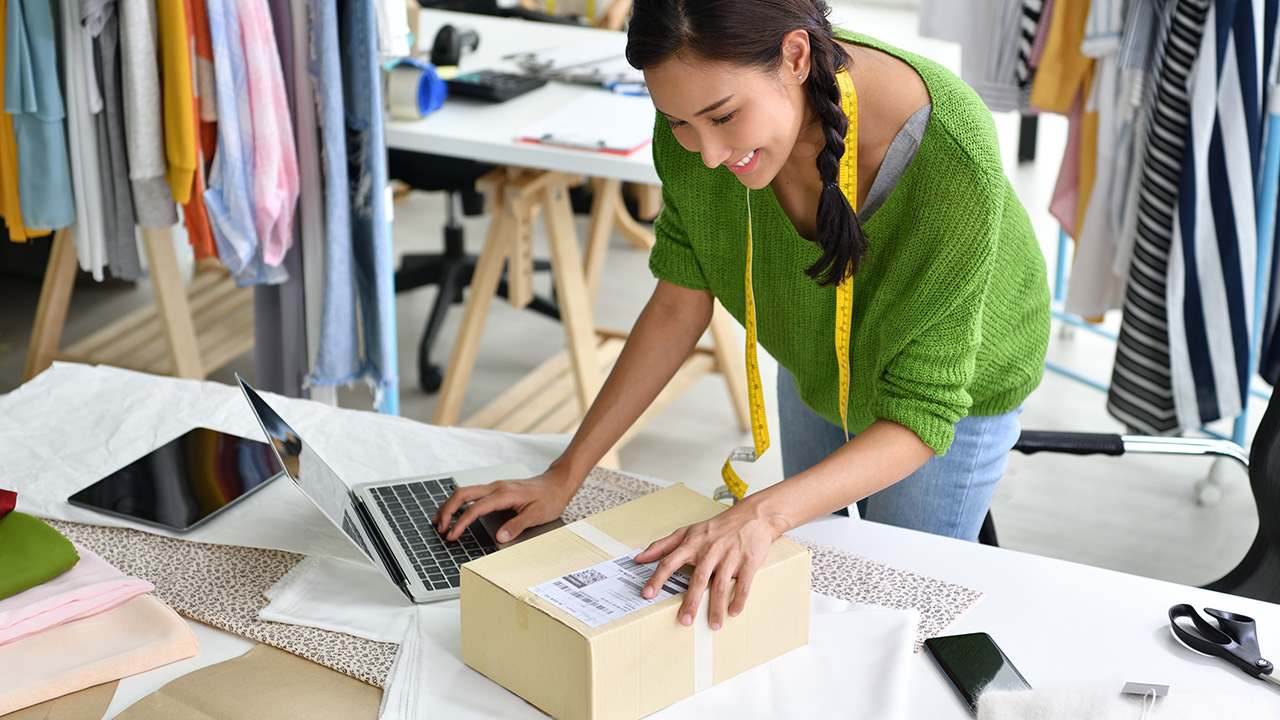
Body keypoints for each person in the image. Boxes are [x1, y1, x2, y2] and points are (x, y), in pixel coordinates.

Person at [435, 0, 1050, 631]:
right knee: (813, 582)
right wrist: (564, 474)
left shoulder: (950, 151)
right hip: (815, 353)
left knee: (902, 614)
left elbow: (922, 413)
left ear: (795, 56)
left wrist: (764, 512)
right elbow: (679, 300)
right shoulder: (695, 119)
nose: (705, 155)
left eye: (723, 116)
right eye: (679, 122)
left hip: (955, 386)